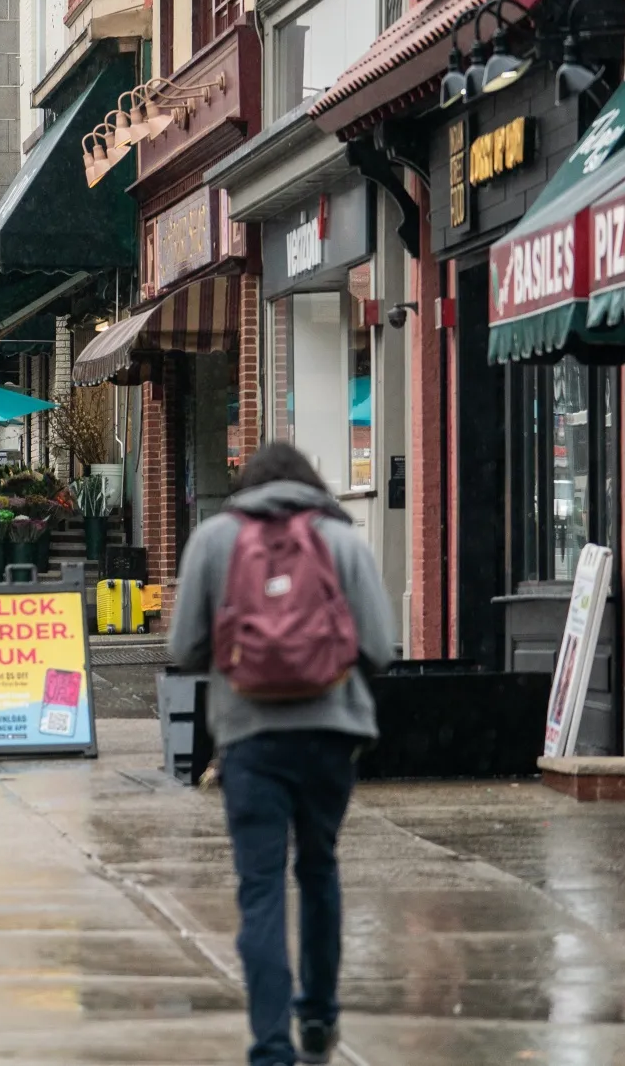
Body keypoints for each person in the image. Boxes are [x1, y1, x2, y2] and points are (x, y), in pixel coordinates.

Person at [168, 443, 395, 1066]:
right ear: (312, 483)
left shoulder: (215, 540)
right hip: (330, 735)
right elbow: (379, 645)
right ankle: (318, 1017)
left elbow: (185, 647)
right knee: (319, 869)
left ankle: (271, 1046)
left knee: (260, 887)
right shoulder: (341, 539)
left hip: (248, 738)